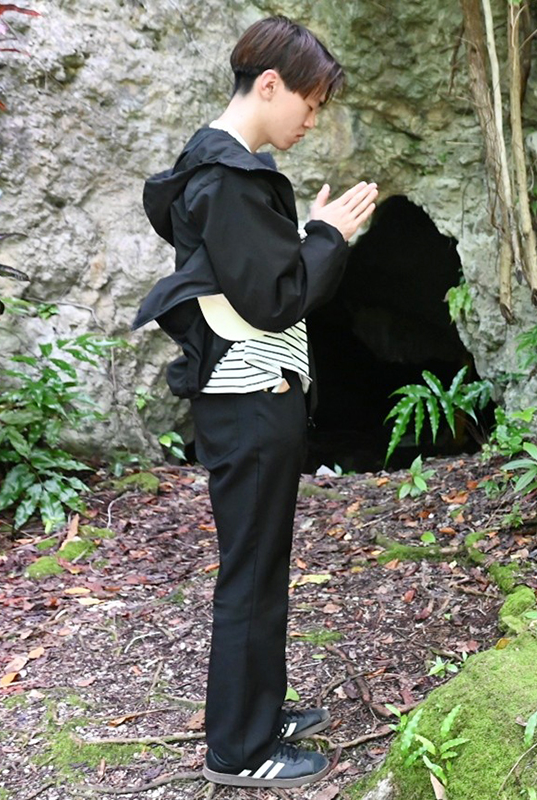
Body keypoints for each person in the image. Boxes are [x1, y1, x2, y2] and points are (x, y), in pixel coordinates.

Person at [132, 16, 378, 789]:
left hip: (252, 400)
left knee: (262, 568)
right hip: (248, 403)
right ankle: (238, 750)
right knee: (250, 575)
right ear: (269, 85)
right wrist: (327, 235)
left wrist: (311, 234)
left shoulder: (223, 171)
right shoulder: (227, 178)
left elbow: (252, 282)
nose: (311, 121)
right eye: (309, 104)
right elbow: (276, 300)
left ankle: (258, 712)